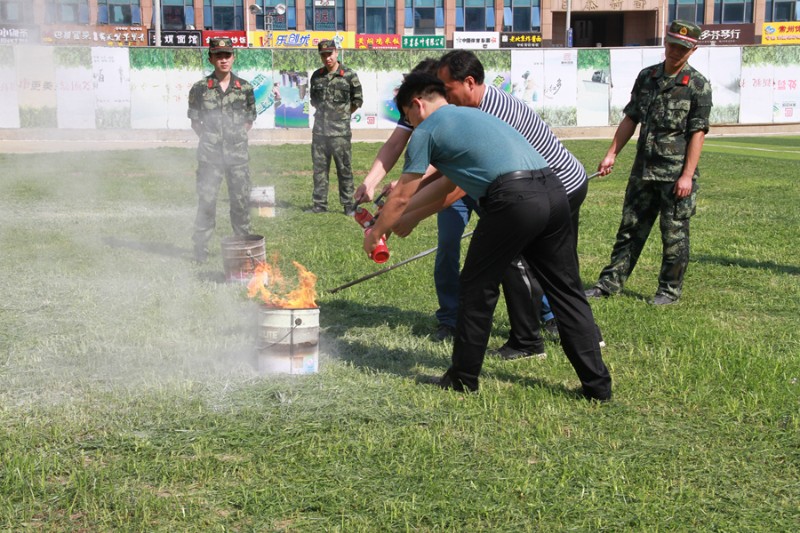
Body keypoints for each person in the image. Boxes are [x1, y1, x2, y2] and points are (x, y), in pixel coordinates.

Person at [364, 73, 612, 401]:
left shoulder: (427, 129)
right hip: (553, 190)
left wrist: (376, 232)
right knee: (566, 290)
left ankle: (462, 378)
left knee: (476, 288)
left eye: (407, 116)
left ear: (417, 104)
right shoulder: (475, 116)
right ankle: (598, 387)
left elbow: (401, 195)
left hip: (513, 198)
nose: (410, 123)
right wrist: (408, 219)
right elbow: (450, 186)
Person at [585, 20, 712, 305]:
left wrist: (687, 176)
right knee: (629, 229)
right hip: (643, 171)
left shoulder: (698, 85)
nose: (676, 52)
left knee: (674, 236)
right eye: (673, 45)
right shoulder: (647, 77)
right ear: (665, 43)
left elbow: (698, 133)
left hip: (674, 175)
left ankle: (668, 291)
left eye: (683, 48)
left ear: (692, 50)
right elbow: (631, 117)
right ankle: (609, 283)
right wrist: (611, 153)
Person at [187, 37, 257, 263]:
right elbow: (195, 122)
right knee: (207, 202)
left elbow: (249, 120)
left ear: (233, 57)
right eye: (218, 56)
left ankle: (243, 250)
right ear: (211, 58)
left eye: (227, 55)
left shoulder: (244, 88)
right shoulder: (199, 89)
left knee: (240, 203)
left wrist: (233, 140)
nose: (223, 60)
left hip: (237, 157)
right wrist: (213, 141)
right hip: (210, 157)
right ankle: (200, 251)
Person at [308, 39, 363, 216]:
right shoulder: (316, 76)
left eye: (329, 54)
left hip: (340, 132)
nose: (327, 58)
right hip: (320, 132)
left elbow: (357, 100)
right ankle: (319, 204)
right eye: (323, 55)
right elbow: (314, 101)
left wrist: (341, 115)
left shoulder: (348, 75)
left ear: (336, 53)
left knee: (344, 168)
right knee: (319, 169)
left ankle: (348, 205)